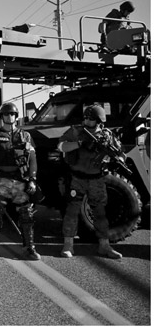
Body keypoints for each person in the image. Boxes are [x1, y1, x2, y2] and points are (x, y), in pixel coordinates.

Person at [57, 105, 123, 259]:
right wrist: (79, 143)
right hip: (77, 178)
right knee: (72, 211)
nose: (86, 120)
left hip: (97, 180)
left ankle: (104, 246)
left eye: (90, 118)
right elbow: (61, 146)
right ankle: (68, 245)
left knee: (100, 213)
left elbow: (120, 153)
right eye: (85, 117)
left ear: (99, 120)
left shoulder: (107, 135)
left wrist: (116, 160)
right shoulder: (76, 131)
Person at [0, 102, 40, 261]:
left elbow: (33, 160)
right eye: (7, 114)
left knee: (26, 215)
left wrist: (32, 179)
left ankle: (29, 248)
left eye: (13, 114)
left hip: (20, 179)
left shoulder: (25, 136)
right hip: (1, 179)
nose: (10, 117)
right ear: (2, 117)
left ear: (16, 117)